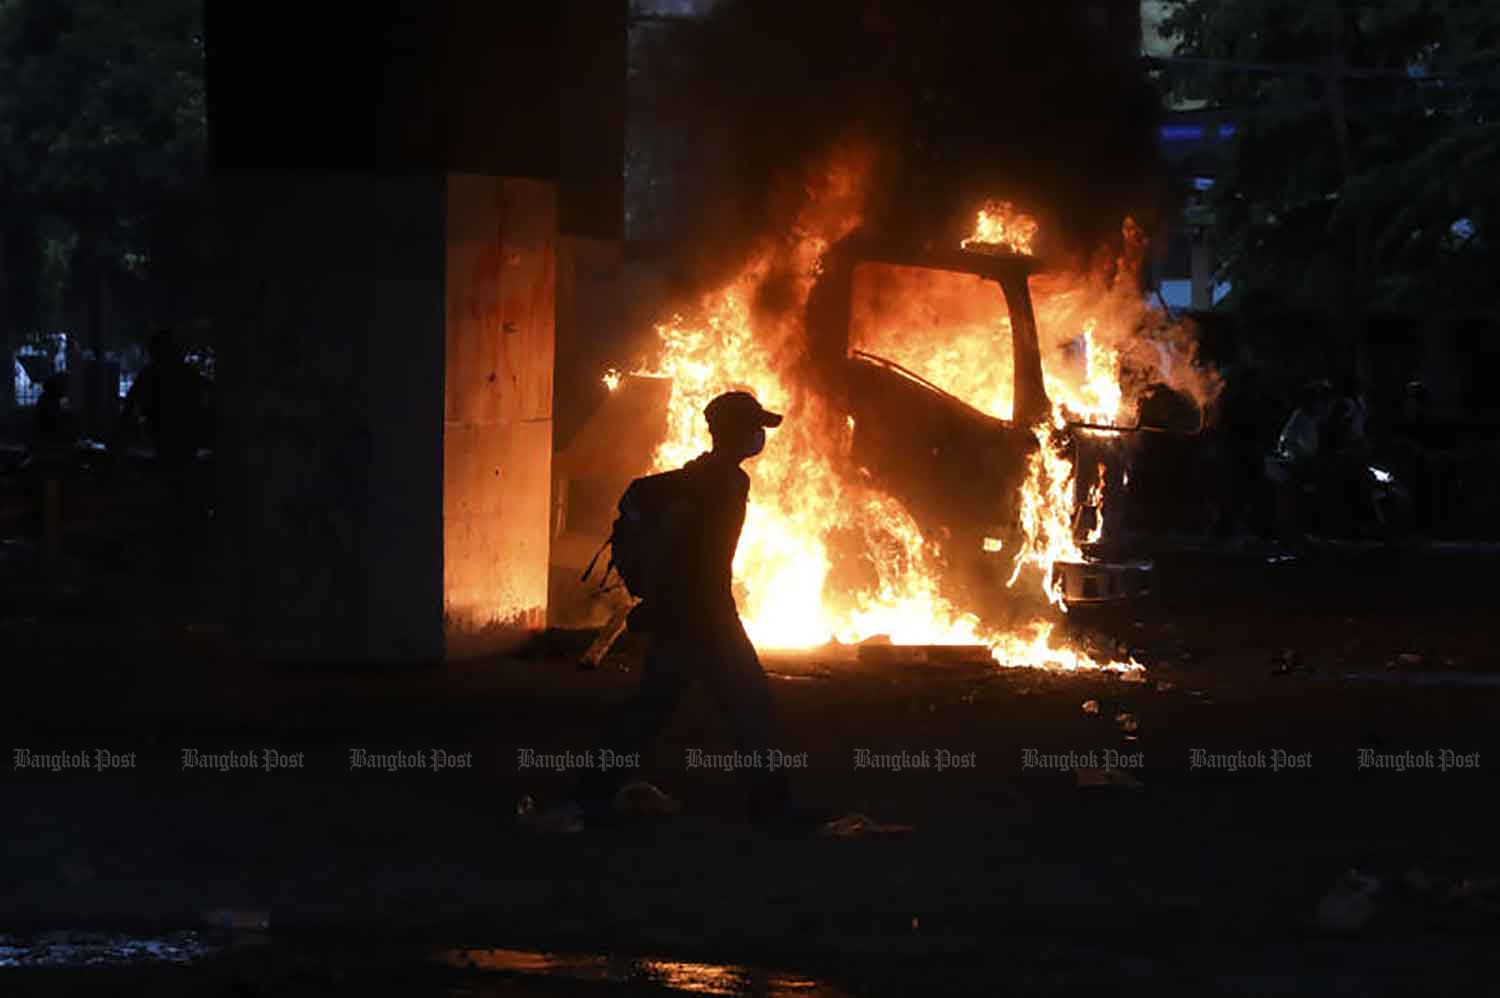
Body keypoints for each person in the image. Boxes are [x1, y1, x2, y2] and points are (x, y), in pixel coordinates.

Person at [569, 390, 792, 826]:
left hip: (686, 616)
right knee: (751, 707)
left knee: (651, 711)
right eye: (753, 427)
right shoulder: (723, 483)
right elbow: (693, 551)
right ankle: (773, 808)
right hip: (705, 617)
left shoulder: (697, 478)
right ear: (732, 432)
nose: (758, 437)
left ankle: (589, 795)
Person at [114, 329, 211, 578]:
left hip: (167, 437)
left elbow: (131, 405)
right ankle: (184, 535)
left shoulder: (153, 375)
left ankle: (176, 534)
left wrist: (121, 439)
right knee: (182, 482)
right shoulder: (184, 373)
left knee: (174, 482)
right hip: (183, 437)